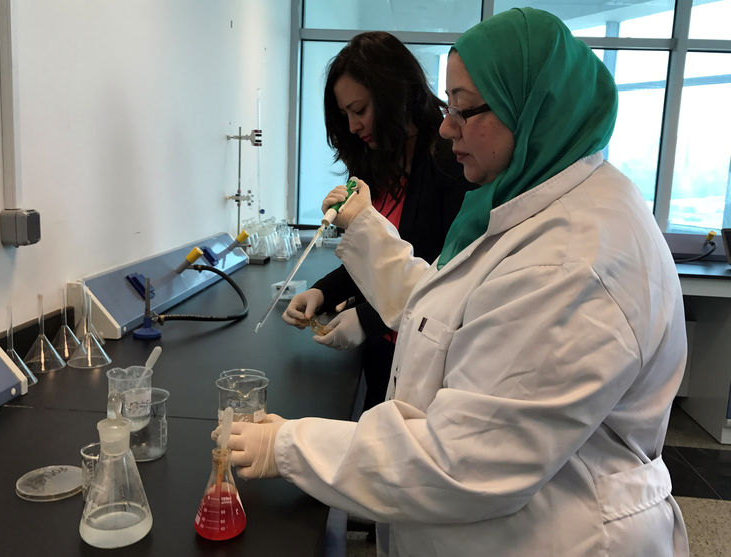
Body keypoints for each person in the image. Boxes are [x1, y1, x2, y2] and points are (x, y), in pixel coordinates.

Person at [225, 8, 688, 556]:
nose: (447, 128)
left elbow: (464, 461)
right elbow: (453, 308)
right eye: (451, 108)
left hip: (559, 534)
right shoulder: (536, 205)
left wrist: (291, 445)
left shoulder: (571, 260)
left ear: (532, 108)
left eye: (466, 111)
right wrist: (366, 232)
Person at [282, 31, 474, 411]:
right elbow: (374, 256)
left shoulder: (449, 163)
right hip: (381, 356)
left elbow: (444, 277)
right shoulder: (376, 163)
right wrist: (322, 293)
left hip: (424, 357)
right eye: (345, 115)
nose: (353, 126)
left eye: (360, 109)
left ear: (396, 94)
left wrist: (367, 321)